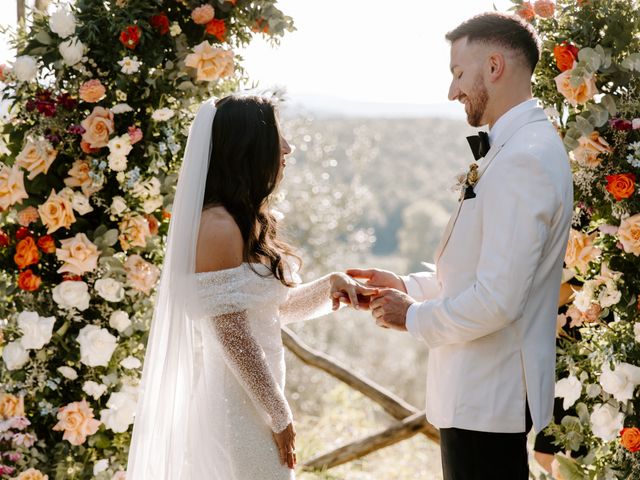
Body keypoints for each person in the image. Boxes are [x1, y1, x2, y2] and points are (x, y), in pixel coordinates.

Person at [345, 13, 573, 479]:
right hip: (477, 395)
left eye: (457, 74)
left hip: (490, 395)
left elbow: (498, 299)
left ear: (494, 67)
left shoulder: (524, 160)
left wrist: (410, 314)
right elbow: (481, 271)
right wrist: (408, 284)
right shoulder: (515, 149)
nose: (452, 92)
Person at [126, 94, 375, 479]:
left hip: (257, 401)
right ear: (248, 146)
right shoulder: (218, 226)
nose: (288, 147)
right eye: (279, 135)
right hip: (236, 410)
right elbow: (231, 332)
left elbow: (268, 312)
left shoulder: (245, 220)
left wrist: (329, 287)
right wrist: (280, 415)